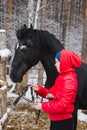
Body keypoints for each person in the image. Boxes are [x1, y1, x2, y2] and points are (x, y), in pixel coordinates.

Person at [31, 49, 82, 130]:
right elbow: (51, 94)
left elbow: (62, 105)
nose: (55, 64)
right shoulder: (62, 77)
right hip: (57, 120)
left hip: (63, 123)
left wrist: (42, 106)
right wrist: (39, 90)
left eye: (57, 62)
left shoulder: (69, 80)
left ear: (65, 62)